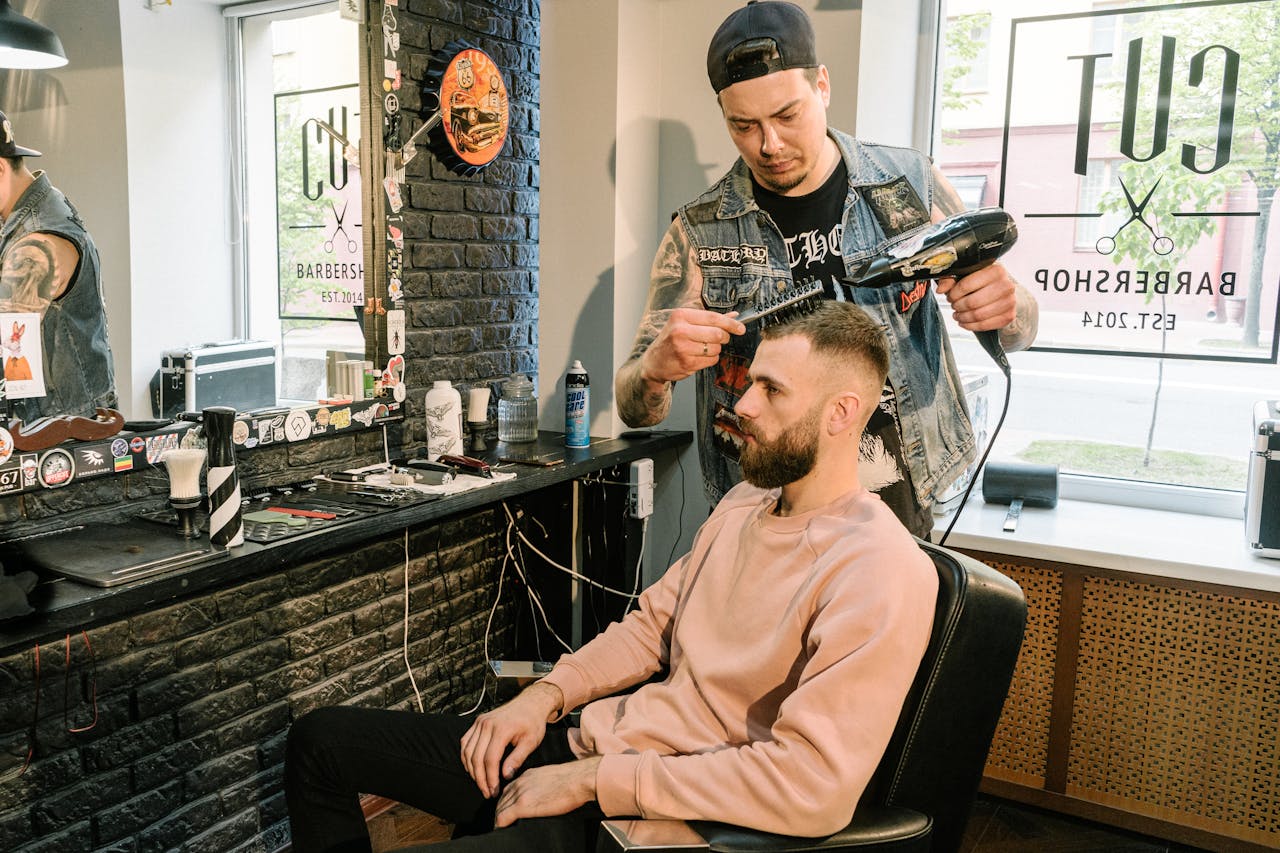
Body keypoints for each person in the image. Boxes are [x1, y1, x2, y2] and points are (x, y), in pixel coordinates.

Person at [284, 301, 938, 852]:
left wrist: (595, 781)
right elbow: (651, 626)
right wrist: (538, 701)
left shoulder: (878, 567)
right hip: (590, 746)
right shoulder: (744, 504)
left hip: (641, 813)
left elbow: (813, 788)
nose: (743, 402)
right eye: (750, 381)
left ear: (841, 412)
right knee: (321, 743)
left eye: (772, 389)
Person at [614, 1, 1038, 539]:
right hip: (766, 513)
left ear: (823, 87)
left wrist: (1006, 307)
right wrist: (655, 367)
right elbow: (635, 406)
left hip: (900, 498)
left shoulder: (909, 185)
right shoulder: (699, 233)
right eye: (743, 126)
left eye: (787, 115)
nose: (769, 145)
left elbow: (1022, 327)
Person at [0, 109, 116, 420]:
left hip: (59, 433)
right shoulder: (50, 206)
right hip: (71, 420)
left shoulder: (34, 245)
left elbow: (11, 348)